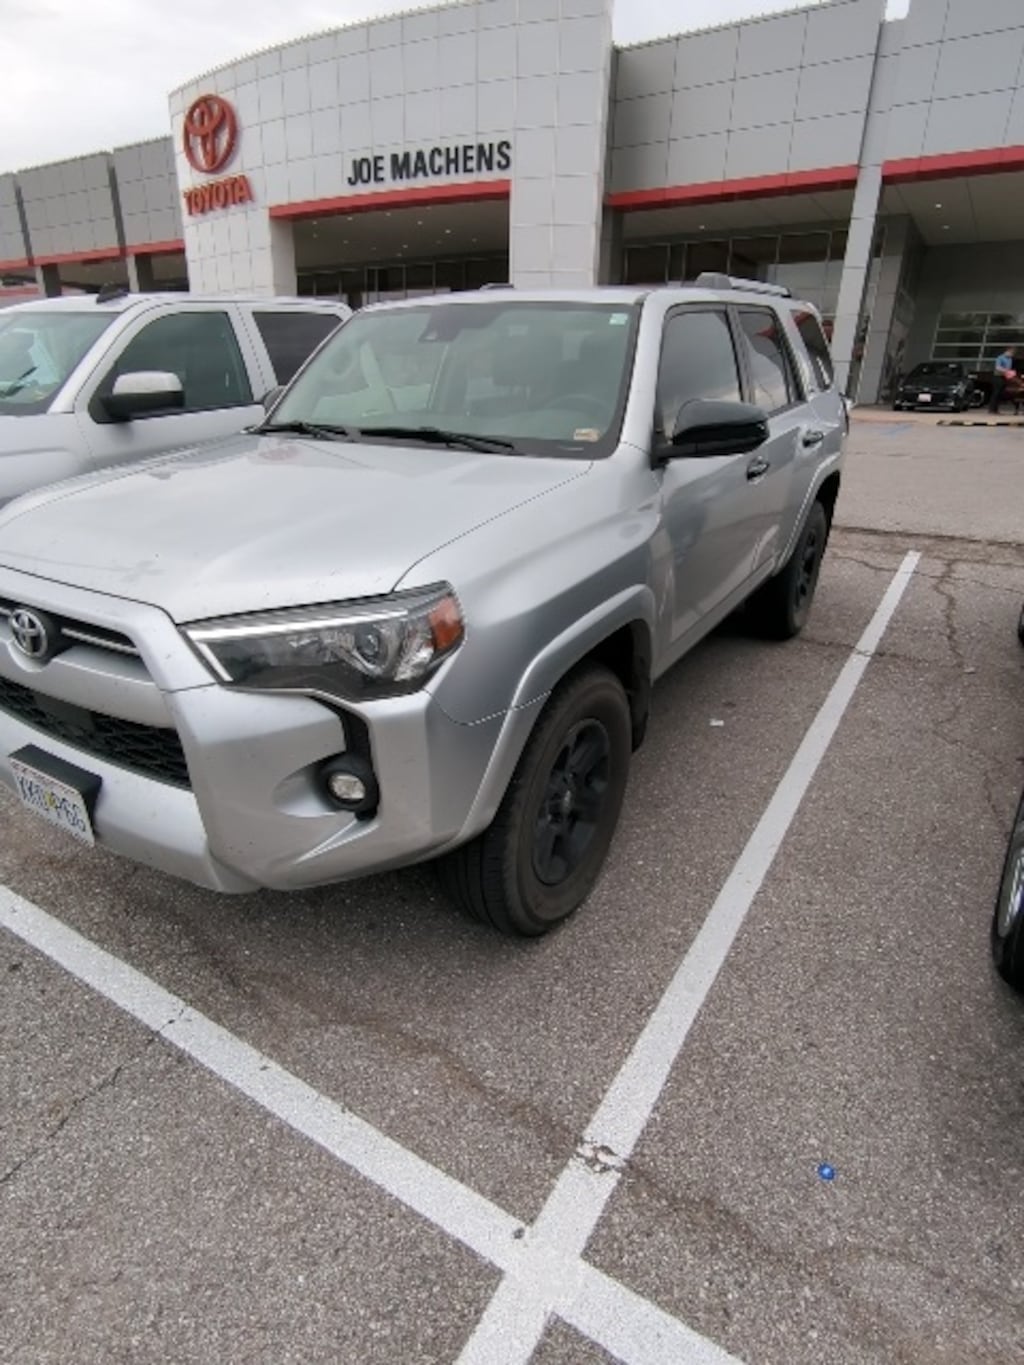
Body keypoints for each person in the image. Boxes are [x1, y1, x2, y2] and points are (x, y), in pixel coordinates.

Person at [989, 345, 1017, 413]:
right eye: (1011, 353)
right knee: (996, 392)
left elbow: (1009, 368)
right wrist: (1006, 371)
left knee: (1001, 393)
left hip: (1004, 377)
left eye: (1013, 353)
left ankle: (996, 409)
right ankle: (992, 409)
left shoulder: (1010, 359)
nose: (1012, 355)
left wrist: (1010, 373)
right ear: (1007, 351)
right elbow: (998, 367)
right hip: (997, 377)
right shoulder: (1000, 358)